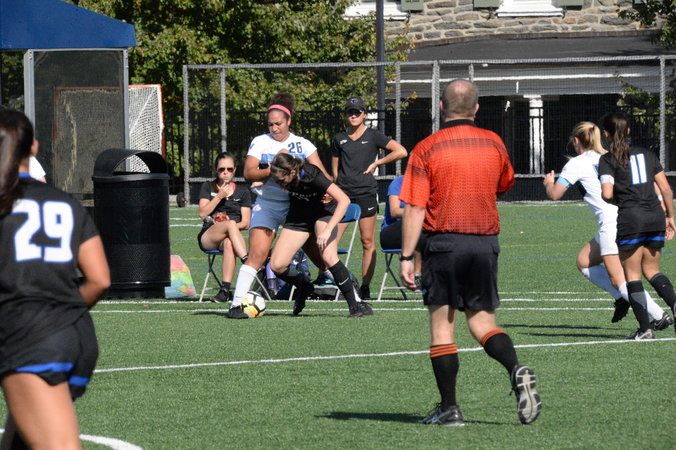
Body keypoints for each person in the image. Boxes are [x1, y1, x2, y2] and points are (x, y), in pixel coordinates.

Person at [399, 80, 541, 426]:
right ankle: (515, 367)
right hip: (484, 244)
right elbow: (504, 184)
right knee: (482, 323)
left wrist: (406, 256)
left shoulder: (426, 148)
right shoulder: (494, 142)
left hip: (444, 244)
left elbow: (415, 208)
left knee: (442, 329)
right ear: (476, 108)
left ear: (441, 108)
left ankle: (449, 408)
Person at [0, 109, 110, 448]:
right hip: (77, 338)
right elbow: (100, 279)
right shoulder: (65, 202)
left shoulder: (4, 203)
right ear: (33, 147)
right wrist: (61, 313)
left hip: (29, 339)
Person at [543, 122, 671, 330]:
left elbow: (555, 194)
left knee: (620, 278)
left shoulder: (576, 163)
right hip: (632, 216)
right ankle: (621, 298)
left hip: (613, 224)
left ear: (576, 140)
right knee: (584, 261)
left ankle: (659, 316)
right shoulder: (610, 157)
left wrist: (549, 183)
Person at [228, 93, 331, 319]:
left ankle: (348, 289)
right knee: (257, 255)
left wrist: (328, 192)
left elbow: (322, 174)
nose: (274, 128)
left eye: (278, 124)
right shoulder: (260, 142)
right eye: (270, 124)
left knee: (319, 256)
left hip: (297, 206)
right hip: (267, 205)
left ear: (289, 121)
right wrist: (275, 168)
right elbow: (248, 172)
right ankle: (235, 306)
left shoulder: (303, 144)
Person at [598, 112, 676, 339]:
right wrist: (670, 216)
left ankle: (645, 330)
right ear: (629, 131)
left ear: (606, 134)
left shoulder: (607, 160)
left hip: (631, 219)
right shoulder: (647, 154)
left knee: (632, 276)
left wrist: (620, 200)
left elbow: (607, 193)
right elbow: (666, 189)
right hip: (655, 216)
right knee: (652, 270)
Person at [268, 153, 372, 317]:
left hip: (322, 215)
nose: (280, 185)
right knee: (277, 265)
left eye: (282, 181)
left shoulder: (312, 174)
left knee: (329, 257)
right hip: (298, 218)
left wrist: (328, 229)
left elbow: (344, 200)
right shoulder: (283, 172)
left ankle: (356, 305)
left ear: (293, 172)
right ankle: (304, 286)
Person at [331, 96, 407, 299]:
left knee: (367, 241)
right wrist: (334, 190)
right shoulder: (339, 138)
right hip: (344, 196)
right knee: (331, 242)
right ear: (346, 115)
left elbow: (401, 151)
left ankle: (364, 287)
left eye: (357, 112)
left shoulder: (373, 136)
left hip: (366, 193)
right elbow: (335, 171)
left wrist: (377, 163)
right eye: (350, 112)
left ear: (364, 114)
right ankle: (341, 282)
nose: (353, 115)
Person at [198, 152, 251, 303]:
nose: (225, 172)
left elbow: (246, 223)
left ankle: (225, 291)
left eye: (229, 169)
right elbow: (202, 213)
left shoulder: (243, 191)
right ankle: (246, 261)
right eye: (222, 169)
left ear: (234, 170)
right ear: (216, 170)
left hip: (230, 237)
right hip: (209, 235)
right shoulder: (208, 186)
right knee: (230, 224)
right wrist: (219, 196)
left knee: (229, 242)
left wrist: (229, 226)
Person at [379, 175, 422, 291]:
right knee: (418, 226)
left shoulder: (428, 185)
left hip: (416, 232)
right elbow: (394, 211)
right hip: (390, 233)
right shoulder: (398, 182)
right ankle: (418, 277)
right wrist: (416, 212)